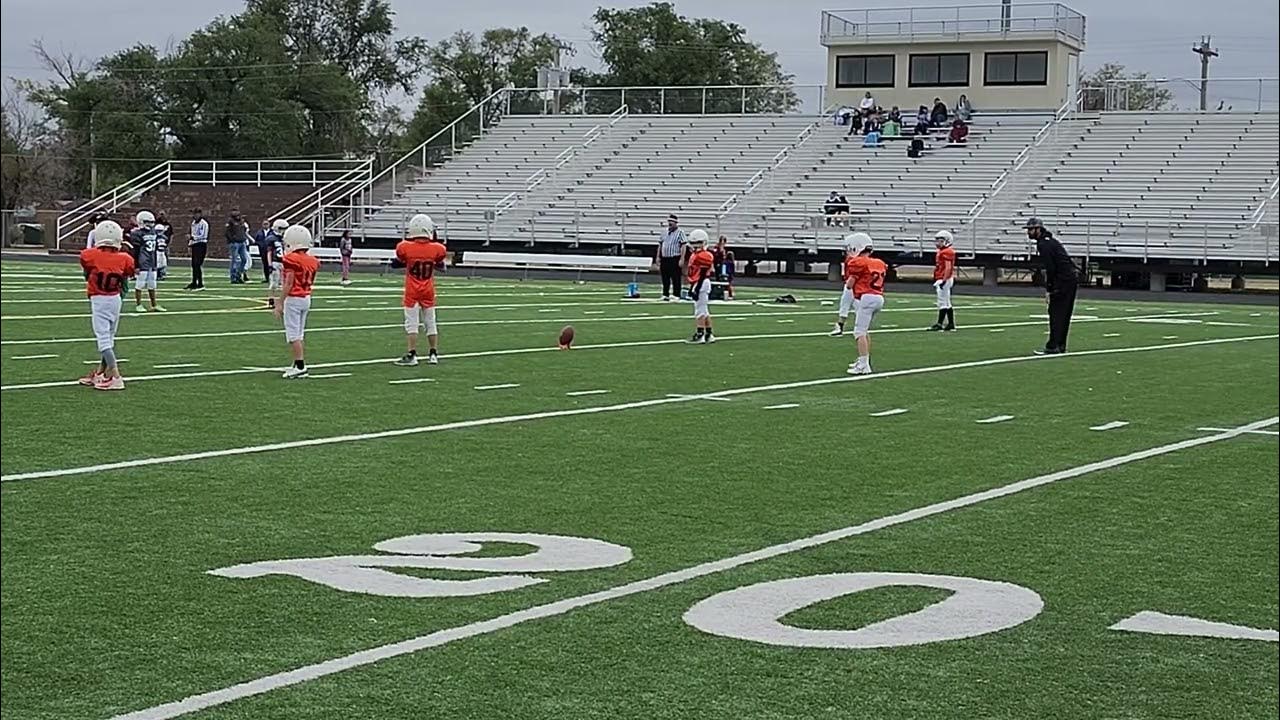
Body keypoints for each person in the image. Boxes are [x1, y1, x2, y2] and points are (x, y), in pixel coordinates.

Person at [78, 220, 134, 391]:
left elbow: (87, 265)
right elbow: (128, 273)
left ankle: (116, 376)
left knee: (103, 340)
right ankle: (101, 373)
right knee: (109, 338)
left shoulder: (91, 255)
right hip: (115, 299)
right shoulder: (125, 258)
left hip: (100, 300)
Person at [392, 214, 448, 366]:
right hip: (428, 289)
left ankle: (412, 354)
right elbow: (440, 263)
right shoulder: (437, 248)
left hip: (412, 290)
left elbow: (397, 261)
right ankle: (433, 354)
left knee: (411, 323)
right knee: (431, 322)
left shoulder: (404, 247)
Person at [1027, 217, 1078, 355]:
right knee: (1064, 313)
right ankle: (1060, 344)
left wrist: (1049, 288)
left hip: (1063, 280)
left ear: (1038, 229)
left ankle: (1053, 345)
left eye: (1031, 229)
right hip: (1069, 278)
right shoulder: (1051, 242)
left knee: (1056, 313)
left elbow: (1051, 268)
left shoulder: (1044, 244)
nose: (1029, 232)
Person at [274, 224, 320, 378]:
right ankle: (297, 362)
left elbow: (289, 283)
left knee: (293, 335)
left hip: (294, 298)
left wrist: (279, 302)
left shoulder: (292, 259)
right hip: (306, 297)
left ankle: (300, 366)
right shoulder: (312, 260)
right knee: (299, 334)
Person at [843, 232, 887, 375]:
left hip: (867, 297)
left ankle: (864, 364)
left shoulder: (857, 262)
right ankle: (863, 360)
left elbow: (850, 285)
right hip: (878, 297)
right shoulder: (879, 262)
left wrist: (849, 281)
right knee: (864, 330)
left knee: (859, 332)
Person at [129, 210, 166, 313]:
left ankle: (154, 304)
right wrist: (136, 265)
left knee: (152, 284)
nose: (150, 224)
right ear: (141, 221)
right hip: (142, 262)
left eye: (151, 222)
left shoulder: (153, 232)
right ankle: (139, 304)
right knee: (140, 284)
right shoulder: (137, 233)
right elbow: (135, 251)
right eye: (147, 222)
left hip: (152, 261)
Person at [685, 229, 716, 344]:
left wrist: (696, 289)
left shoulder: (704, 255)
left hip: (701, 283)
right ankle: (709, 334)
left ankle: (700, 334)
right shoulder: (697, 255)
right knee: (704, 310)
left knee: (700, 311)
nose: (694, 246)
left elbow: (703, 273)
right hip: (698, 283)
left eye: (697, 243)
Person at [829, 238, 860, 337]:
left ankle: (858, 327)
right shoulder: (852, 258)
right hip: (852, 284)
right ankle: (840, 326)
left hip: (853, 285)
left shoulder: (853, 259)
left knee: (852, 306)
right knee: (847, 306)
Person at [928, 229, 957, 331]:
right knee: (947, 302)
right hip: (943, 278)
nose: (938, 243)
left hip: (944, 278)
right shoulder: (943, 251)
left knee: (942, 302)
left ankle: (940, 323)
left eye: (940, 241)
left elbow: (948, 267)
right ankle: (951, 324)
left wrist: (944, 280)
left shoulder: (947, 252)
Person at [655, 213, 686, 301]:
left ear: (676, 223)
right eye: (669, 221)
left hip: (674, 257)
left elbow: (683, 246)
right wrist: (658, 257)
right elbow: (660, 245)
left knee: (676, 277)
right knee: (665, 277)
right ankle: (665, 293)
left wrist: (682, 258)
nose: (670, 223)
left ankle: (676, 294)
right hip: (665, 257)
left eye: (672, 222)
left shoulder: (680, 232)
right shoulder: (664, 232)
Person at [265, 219, 288, 309]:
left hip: (284, 262)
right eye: (282, 229)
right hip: (275, 262)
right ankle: (271, 299)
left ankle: (283, 300)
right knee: (274, 283)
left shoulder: (283, 238)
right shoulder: (272, 238)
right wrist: (270, 264)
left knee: (284, 283)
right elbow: (269, 252)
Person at [187, 208, 208, 291]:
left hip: (201, 244)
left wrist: (192, 237)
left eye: (196, 214)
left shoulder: (204, 224)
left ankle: (200, 283)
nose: (194, 215)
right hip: (195, 244)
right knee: (194, 264)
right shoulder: (193, 223)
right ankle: (194, 282)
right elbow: (193, 233)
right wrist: (190, 244)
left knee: (197, 264)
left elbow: (203, 235)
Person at [226, 210, 250, 284]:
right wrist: (232, 240)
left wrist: (244, 238)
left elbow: (244, 230)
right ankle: (233, 277)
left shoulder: (242, 222)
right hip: (235, 243)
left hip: (242, 242)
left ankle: (238, 274)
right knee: (234, 260)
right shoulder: (230, 222)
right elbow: (227, 233)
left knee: (244, 259)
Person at [712, 235, 735, 300]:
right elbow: (715, 255)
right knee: (719, 278)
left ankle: (728, 293)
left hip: (722, 265)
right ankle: (720, 292)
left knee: (725, 279)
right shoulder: (717, 248)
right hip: (718, 264)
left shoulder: (723, 249)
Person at [153, 212, 170, 281]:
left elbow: (165, 245)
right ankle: (157, 274)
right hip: (157, 251)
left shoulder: (164, 237)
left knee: (163, 263)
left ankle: (162, 274)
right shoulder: (155, 237)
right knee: (157, 263)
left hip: (162, 252)